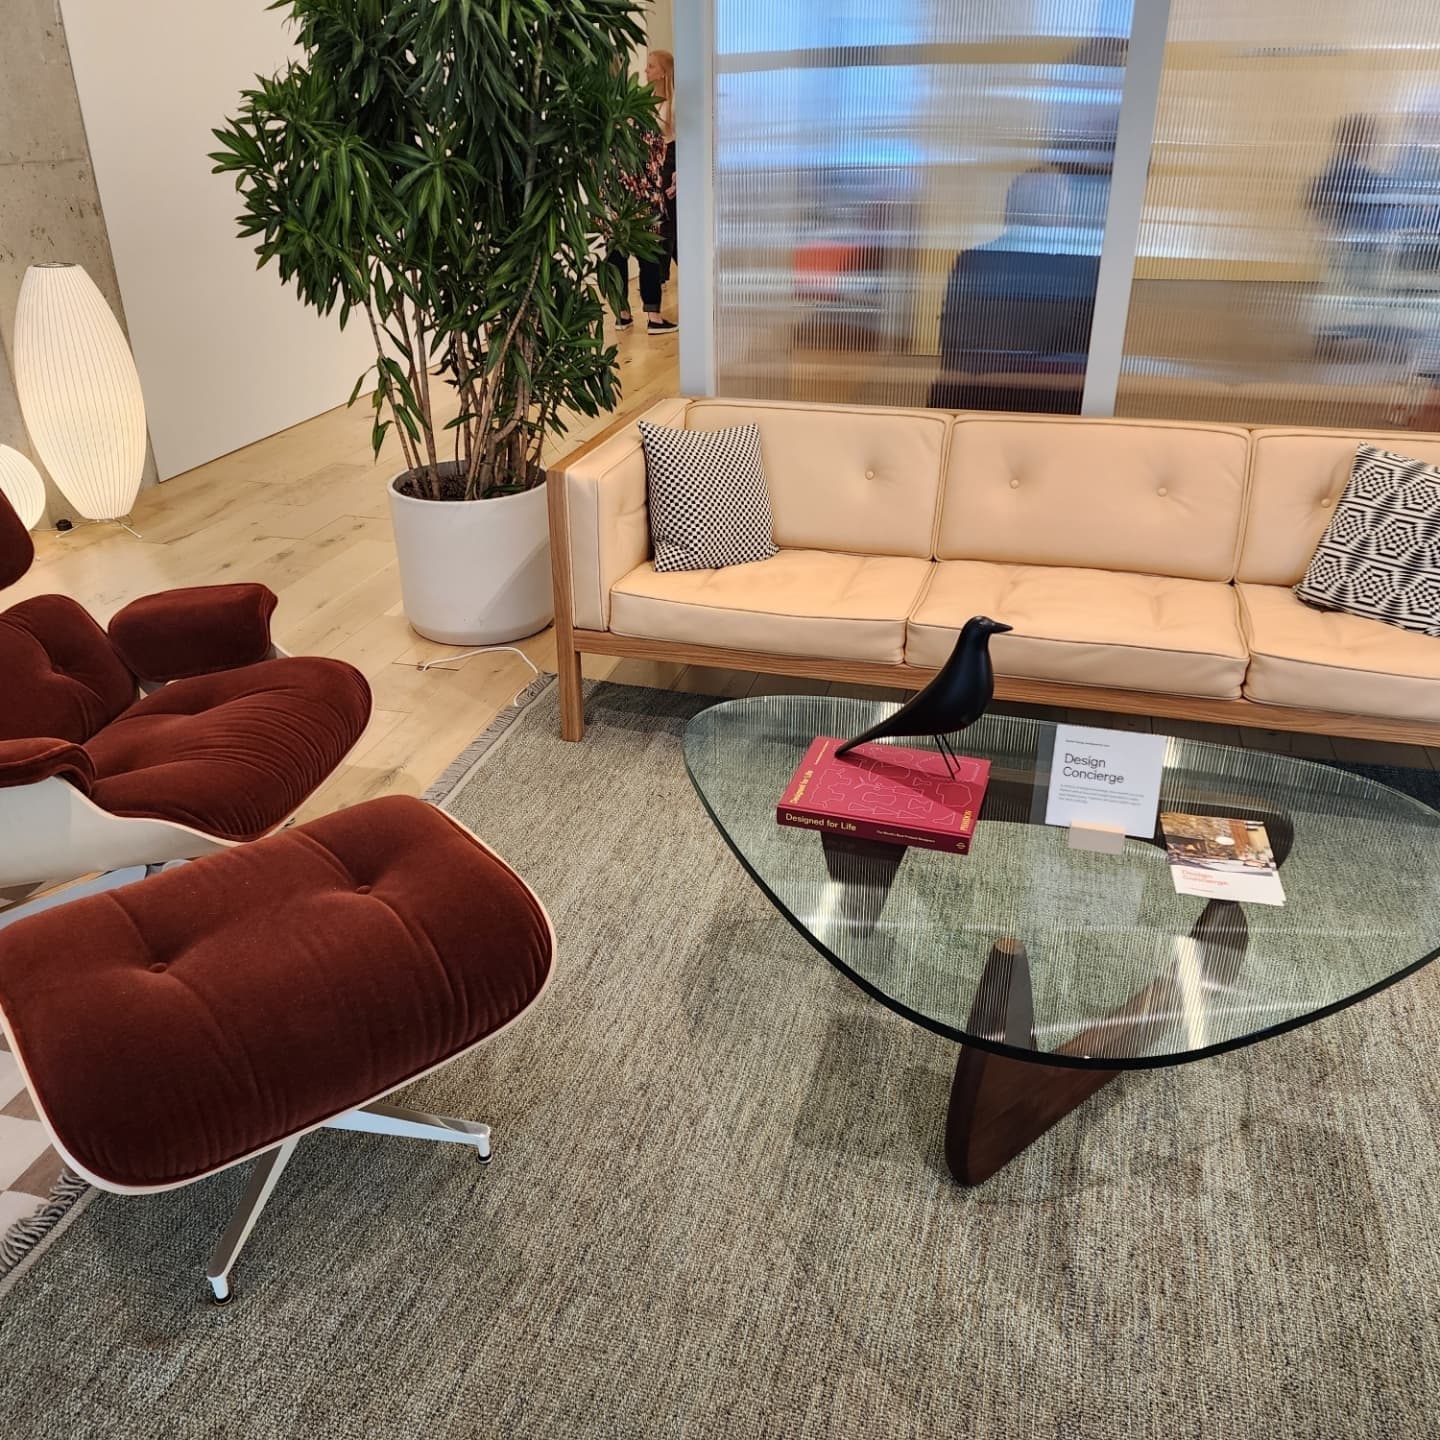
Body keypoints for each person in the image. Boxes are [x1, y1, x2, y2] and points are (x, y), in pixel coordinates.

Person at [605, 50, 677, 334]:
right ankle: (648, 315)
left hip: (628, 187)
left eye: (650, 67)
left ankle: (631, 313)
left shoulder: (634, 109)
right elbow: (654, 149)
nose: (645, 72)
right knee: (639, 249)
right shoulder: (639, 109)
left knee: (626, 250)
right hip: (639, 187)